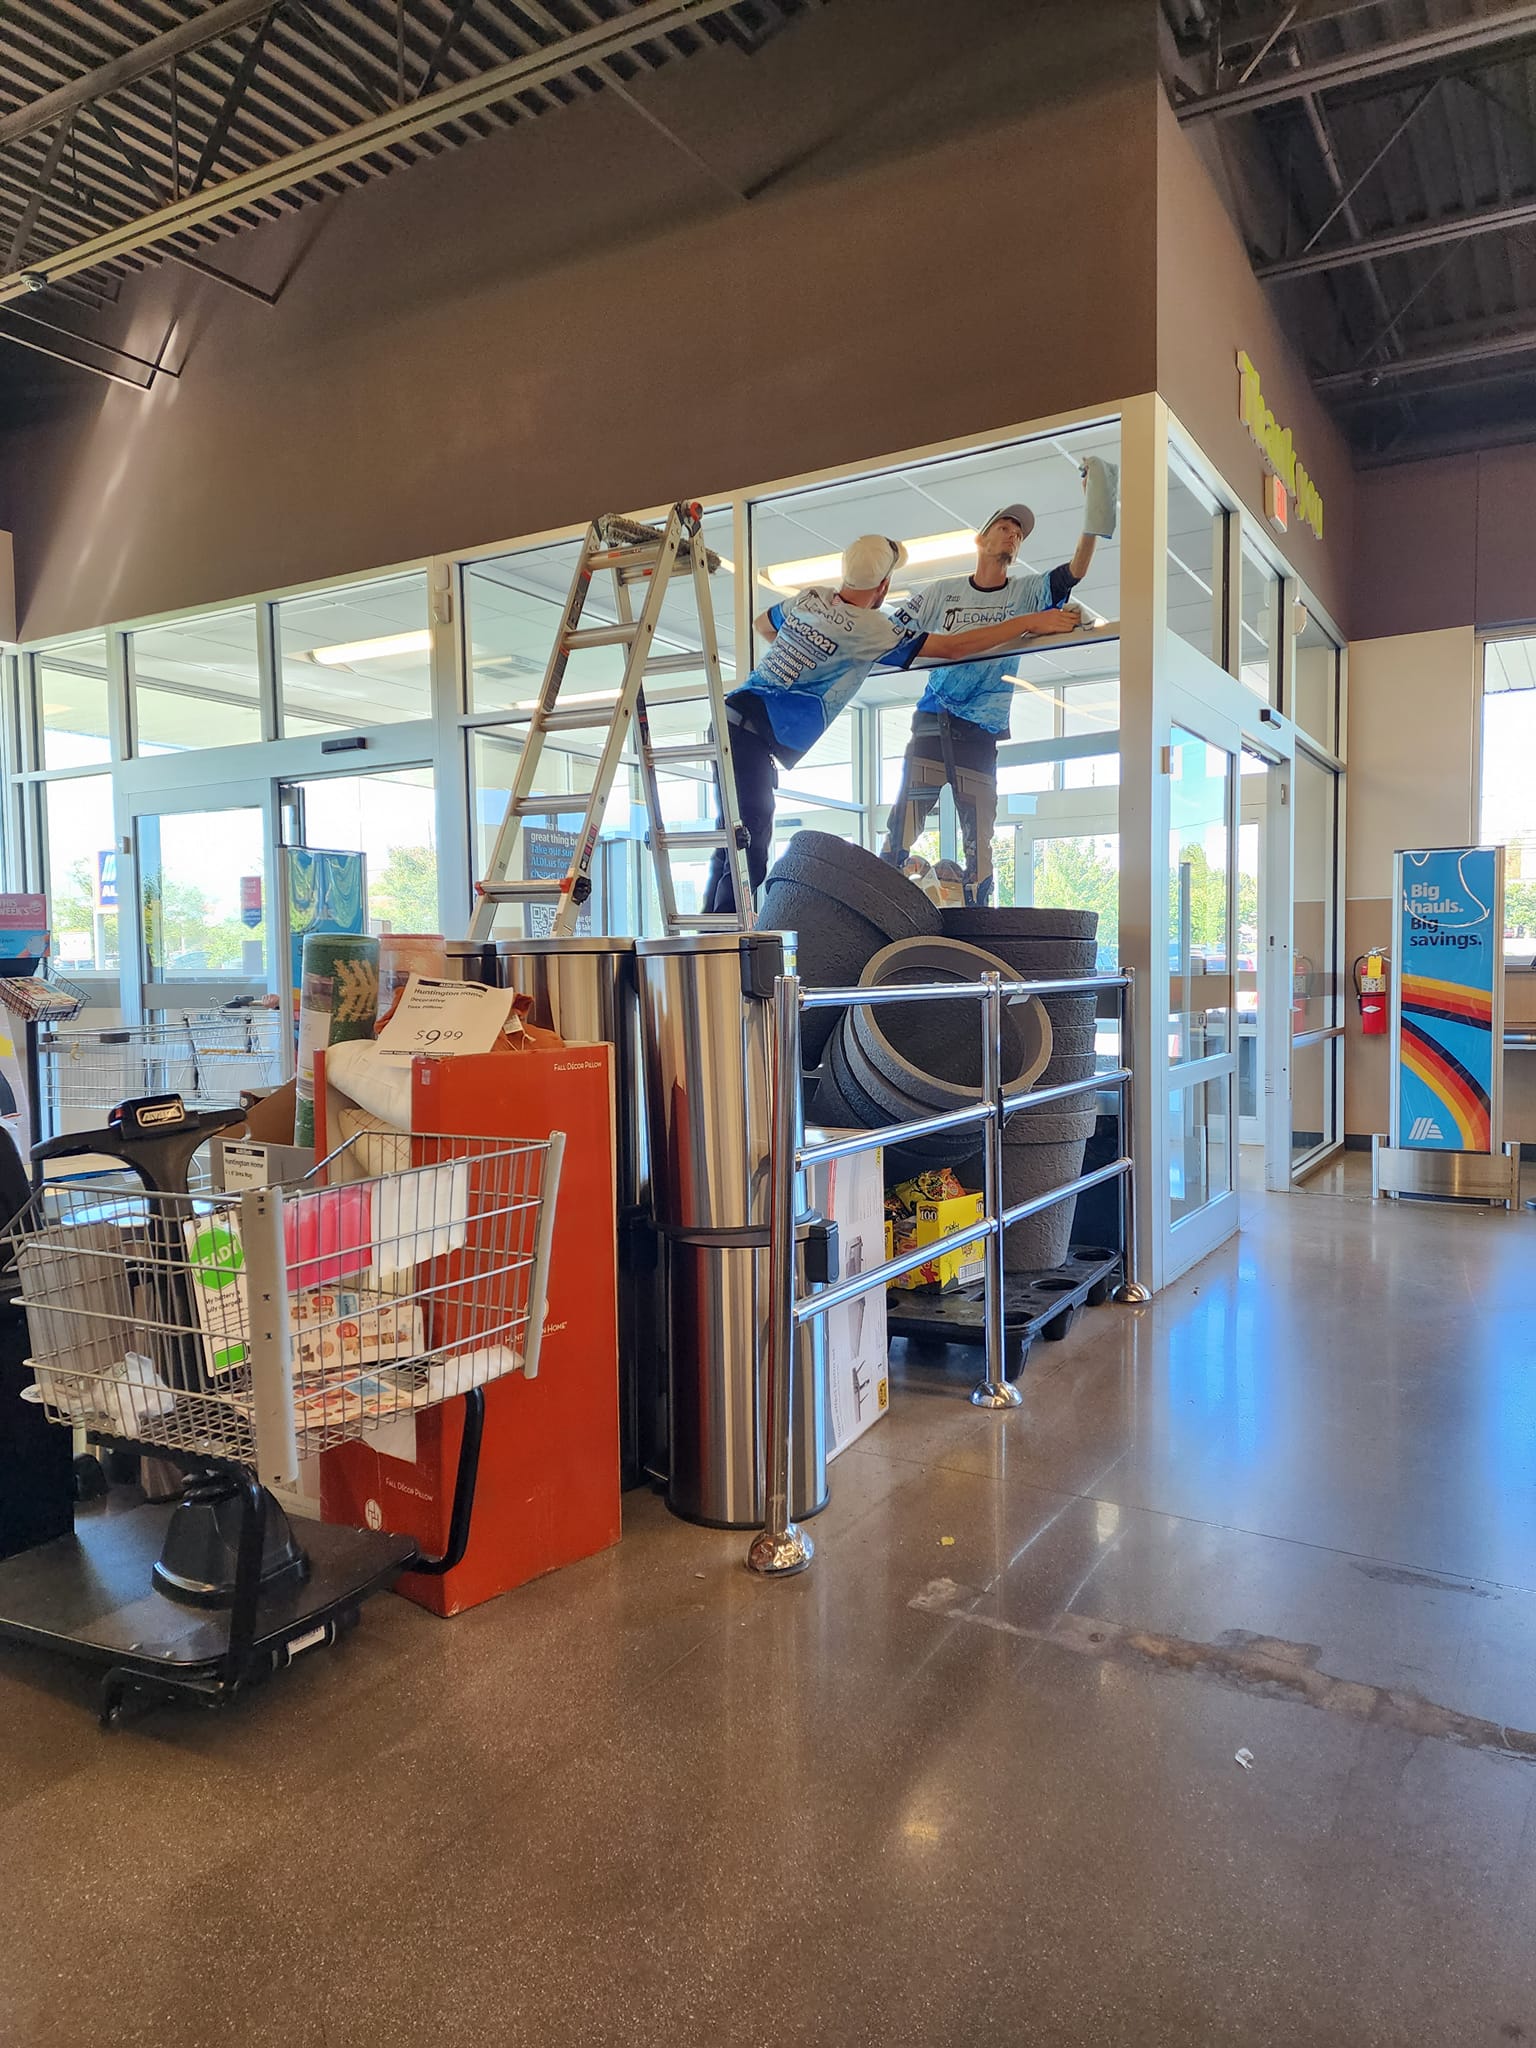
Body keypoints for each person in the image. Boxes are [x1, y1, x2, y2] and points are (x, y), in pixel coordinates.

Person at [703, 535, 1082, 914]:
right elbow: (953, 648)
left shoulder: (811, 598)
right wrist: (1032, 621)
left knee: (729, 848)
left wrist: (814, 656)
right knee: (748, 853)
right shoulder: (872, 630)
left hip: (727, 721)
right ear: (884, 586)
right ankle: (728, 955)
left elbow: (763, 624)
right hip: (751, 737)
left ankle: (707, 941)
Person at [880, 458, 1117, 904]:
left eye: (1019, 533)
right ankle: (883, 904)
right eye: (1005, 527)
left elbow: (1075, 571)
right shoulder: (942, 594)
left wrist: (1094, 509)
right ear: (981, 539)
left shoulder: (1025, 591)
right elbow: (892, 638)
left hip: (980, 732)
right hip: (933, 721)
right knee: (901, 830)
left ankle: (977, 914)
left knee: (980, 845)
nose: (1013, 535)